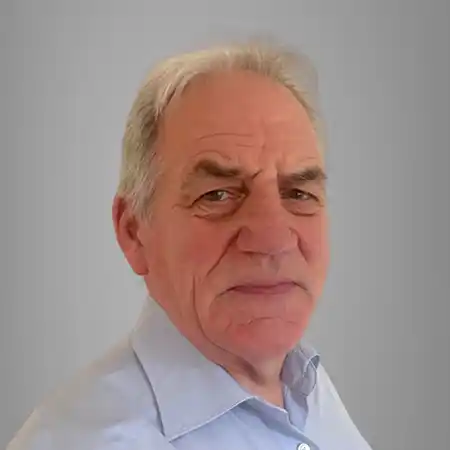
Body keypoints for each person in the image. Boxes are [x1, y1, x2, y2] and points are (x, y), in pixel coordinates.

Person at [7, 40, 372, 450]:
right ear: (134, 232)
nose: (274, 239)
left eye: (299, 194)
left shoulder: (307, 386)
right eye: (218, 195)